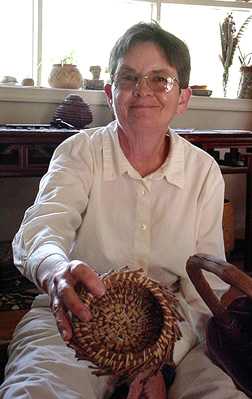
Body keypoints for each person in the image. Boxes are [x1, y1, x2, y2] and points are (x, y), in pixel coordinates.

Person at [0, 22, 247, 399]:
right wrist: (55, 271)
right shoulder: (79, 153)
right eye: (128, 77)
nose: (142, 90)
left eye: (160, 79)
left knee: (221, 389)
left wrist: (162, 360)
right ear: (110, 91)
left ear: (183, 98)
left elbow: (203, 291)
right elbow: (41, 231)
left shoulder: (202, 172)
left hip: (177, 331)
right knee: (36, 390)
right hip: (72, 316)